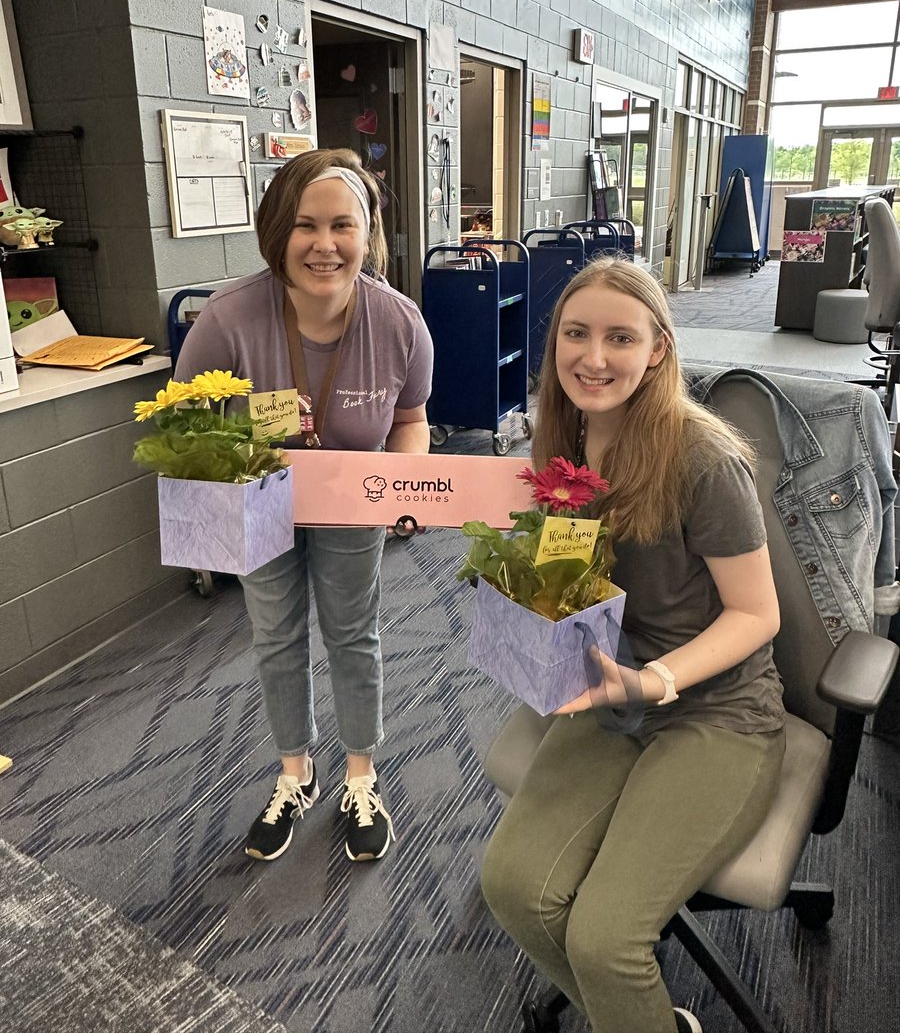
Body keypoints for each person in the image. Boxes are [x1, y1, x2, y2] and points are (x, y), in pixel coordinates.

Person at [480, 257, 785, 1033]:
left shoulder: (702, 459)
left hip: (713, 712)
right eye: (575, 334)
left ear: (657, 350)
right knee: (513, 888)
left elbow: (757, 615)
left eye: (621, 337)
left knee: (606, 939)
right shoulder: (560, 442)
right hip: (608, 693)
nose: (593, 357)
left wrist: (652, 681)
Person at [175, 148, 433, 864]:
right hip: (258, 501)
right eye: (305, 225)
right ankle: (296, 772)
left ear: (367, 233)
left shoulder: (399, 323)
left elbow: (411, 421)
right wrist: (228, 462)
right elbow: (185, 425)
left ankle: (361, 776)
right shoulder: (228, 320)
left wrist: (402, 487)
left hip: (350, 502)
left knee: (353, 635)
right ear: (277, 231)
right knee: (277, 637)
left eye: (343, 225)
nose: (325, 244)